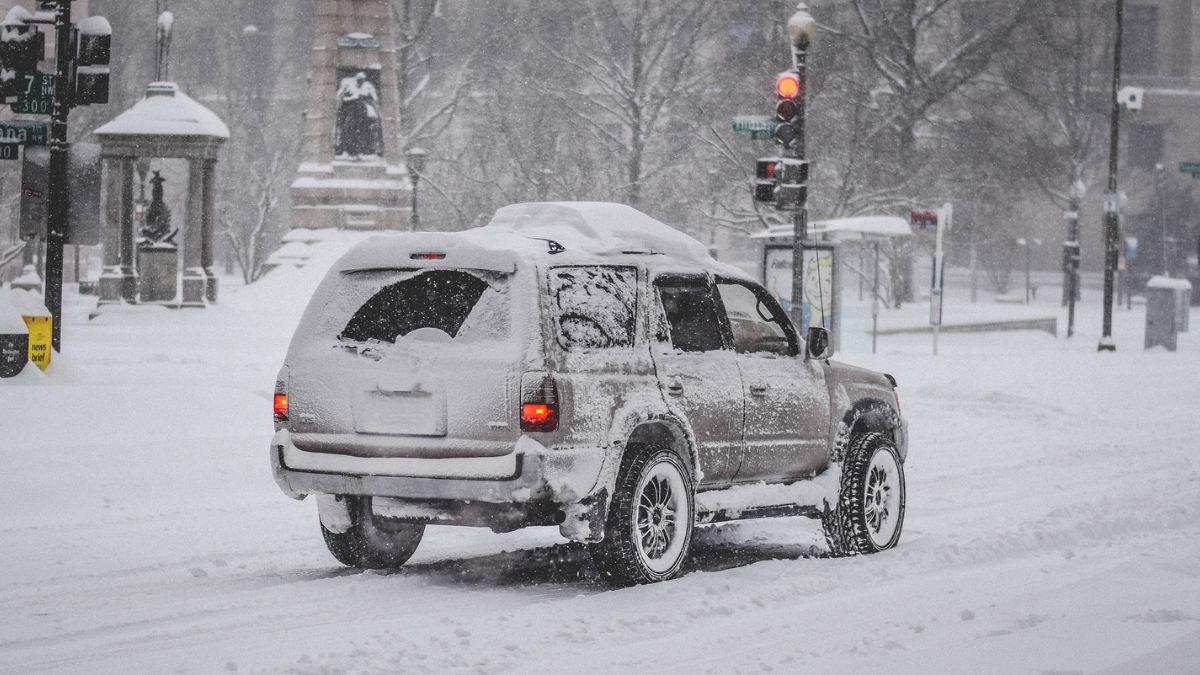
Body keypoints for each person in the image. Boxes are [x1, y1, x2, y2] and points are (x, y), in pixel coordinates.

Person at [334, 72, 383, 159]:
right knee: (349, 131)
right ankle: (348, 151)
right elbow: (340, 97)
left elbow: (374, 98)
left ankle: (364, 151)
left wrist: (365, 98)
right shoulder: (348, 84)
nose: (360, 82)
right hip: (351, 113)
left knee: (364, 132)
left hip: (364, 115)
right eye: (359, 80)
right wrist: (352, 98)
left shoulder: (368, 86)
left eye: (362, 81)